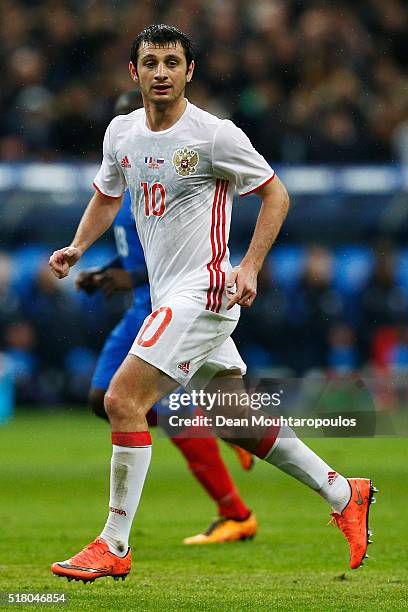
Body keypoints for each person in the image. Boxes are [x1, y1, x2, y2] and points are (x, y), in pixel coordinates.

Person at [49, 25, 376, 583]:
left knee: (122, 399)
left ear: (189, 72)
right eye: (150, 62)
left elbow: (276, 192)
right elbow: (107, 196)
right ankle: (345, 492)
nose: (160, 73)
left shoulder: (214, 136)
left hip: (203, 291)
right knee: (234, 419)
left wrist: (248, 265)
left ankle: (114, 544)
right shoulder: (121, 133)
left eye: (172, 62)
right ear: (134, 72)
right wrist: (78, 246)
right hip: (167, 294)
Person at [76, 90, 256, 545]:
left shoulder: (168, 176)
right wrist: (106, 273)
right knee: (105, 400)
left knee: (135, 403)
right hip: (145, 306)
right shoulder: (121, 182)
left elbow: (172, 258)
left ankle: (233, 508)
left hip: (166, 306)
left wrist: (128, 278)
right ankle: (223, 431)